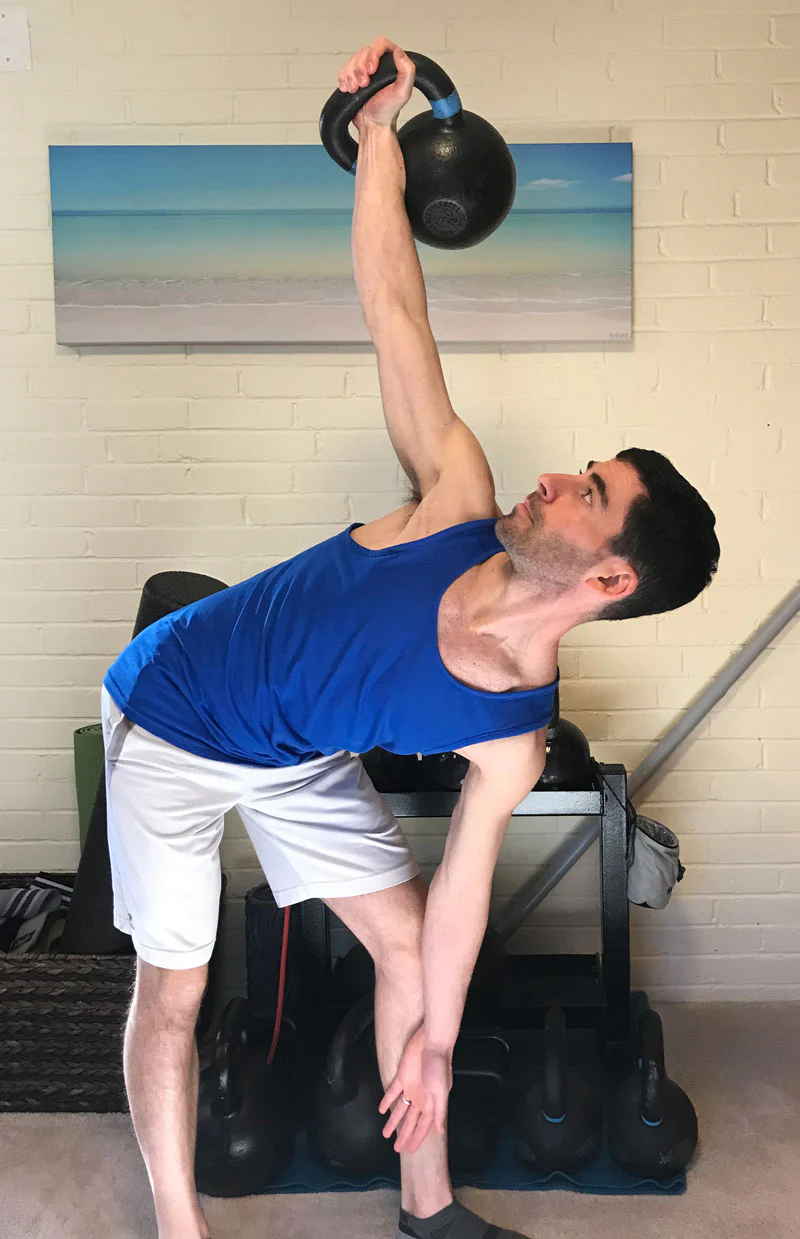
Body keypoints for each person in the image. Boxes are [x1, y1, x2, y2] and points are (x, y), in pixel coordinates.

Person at [100, 36, 720, 1239]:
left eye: (586, 489)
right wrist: (378, 142)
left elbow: (456, 906)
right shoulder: (452, 495)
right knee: (172, 994)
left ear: (603, 575)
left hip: (292, 756)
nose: (552, 476)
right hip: (174, 715)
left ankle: (425, 1210)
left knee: (407, 956)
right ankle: (178, 1227)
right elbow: (394, 307)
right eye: (580, 467)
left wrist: (435, 1044)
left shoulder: (512, 735)